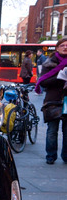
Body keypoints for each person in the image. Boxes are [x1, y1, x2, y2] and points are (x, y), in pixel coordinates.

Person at [35, 37, 67, 165]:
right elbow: (44, 82)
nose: (65, 47)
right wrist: (60, 77)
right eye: (62, 45)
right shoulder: (49, 63)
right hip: (53, 101)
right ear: (57, 48)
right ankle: (51, 156)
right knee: (52, 130)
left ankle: (66, 156)